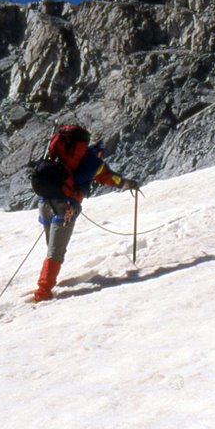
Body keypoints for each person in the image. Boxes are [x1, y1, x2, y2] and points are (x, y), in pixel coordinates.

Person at [33, 125, 139, 302]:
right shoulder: (92, 162)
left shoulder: (62, 157)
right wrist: (130, 184)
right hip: (65, 207)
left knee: (52, 247)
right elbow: (112, 178)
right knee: (56, 251)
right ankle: (43, 290)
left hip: (44, 202)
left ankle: (49, 279)